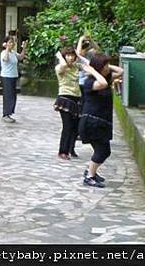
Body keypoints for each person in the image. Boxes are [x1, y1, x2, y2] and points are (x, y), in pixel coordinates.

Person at [79, 53, 123, 188]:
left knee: (103, 150)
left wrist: (107, 66)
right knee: (102, 151)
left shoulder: (105, 78)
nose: (107, 68)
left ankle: (91, 171)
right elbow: (103, 83)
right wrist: (92, 70)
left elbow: (121, 71)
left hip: (100, 123)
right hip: (92, 123)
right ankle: (89, 176)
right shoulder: (90, 82)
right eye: (104, 66)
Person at [54, 47, 82, 160]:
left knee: (75, 126)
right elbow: (63, 66)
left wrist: (79, 56)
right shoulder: (60, 67)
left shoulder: (76, 67)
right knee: (67, 126)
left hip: (76, 98)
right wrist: (60, 56)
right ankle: (62, 151)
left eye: (72, 55)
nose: (70, 58)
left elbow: (88, 65)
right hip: (64, 98)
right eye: (68, 56)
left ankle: (71, 148)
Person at [0, 36, 27, 123]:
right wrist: (7, 48)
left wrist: (24, 48)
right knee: (8, 96)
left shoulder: (13, 52)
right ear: (6, 43)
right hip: (6, 77)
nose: (12, 44)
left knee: (13, 96)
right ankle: (6, 114)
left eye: (13, 42)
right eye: (10, 42)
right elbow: (5, 59)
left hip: (13, 76)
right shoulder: (4, 52)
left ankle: (9, 113)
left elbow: (21, 57)